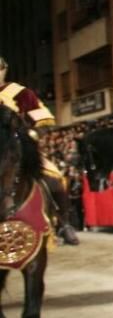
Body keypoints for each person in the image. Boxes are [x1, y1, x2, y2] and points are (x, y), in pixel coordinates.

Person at [0, 56, 80, 244]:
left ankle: (63, 224)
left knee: (55, 178)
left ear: (5, 70)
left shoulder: (21, 93)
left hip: (17, 148)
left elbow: (43, 120)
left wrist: (30, 135)